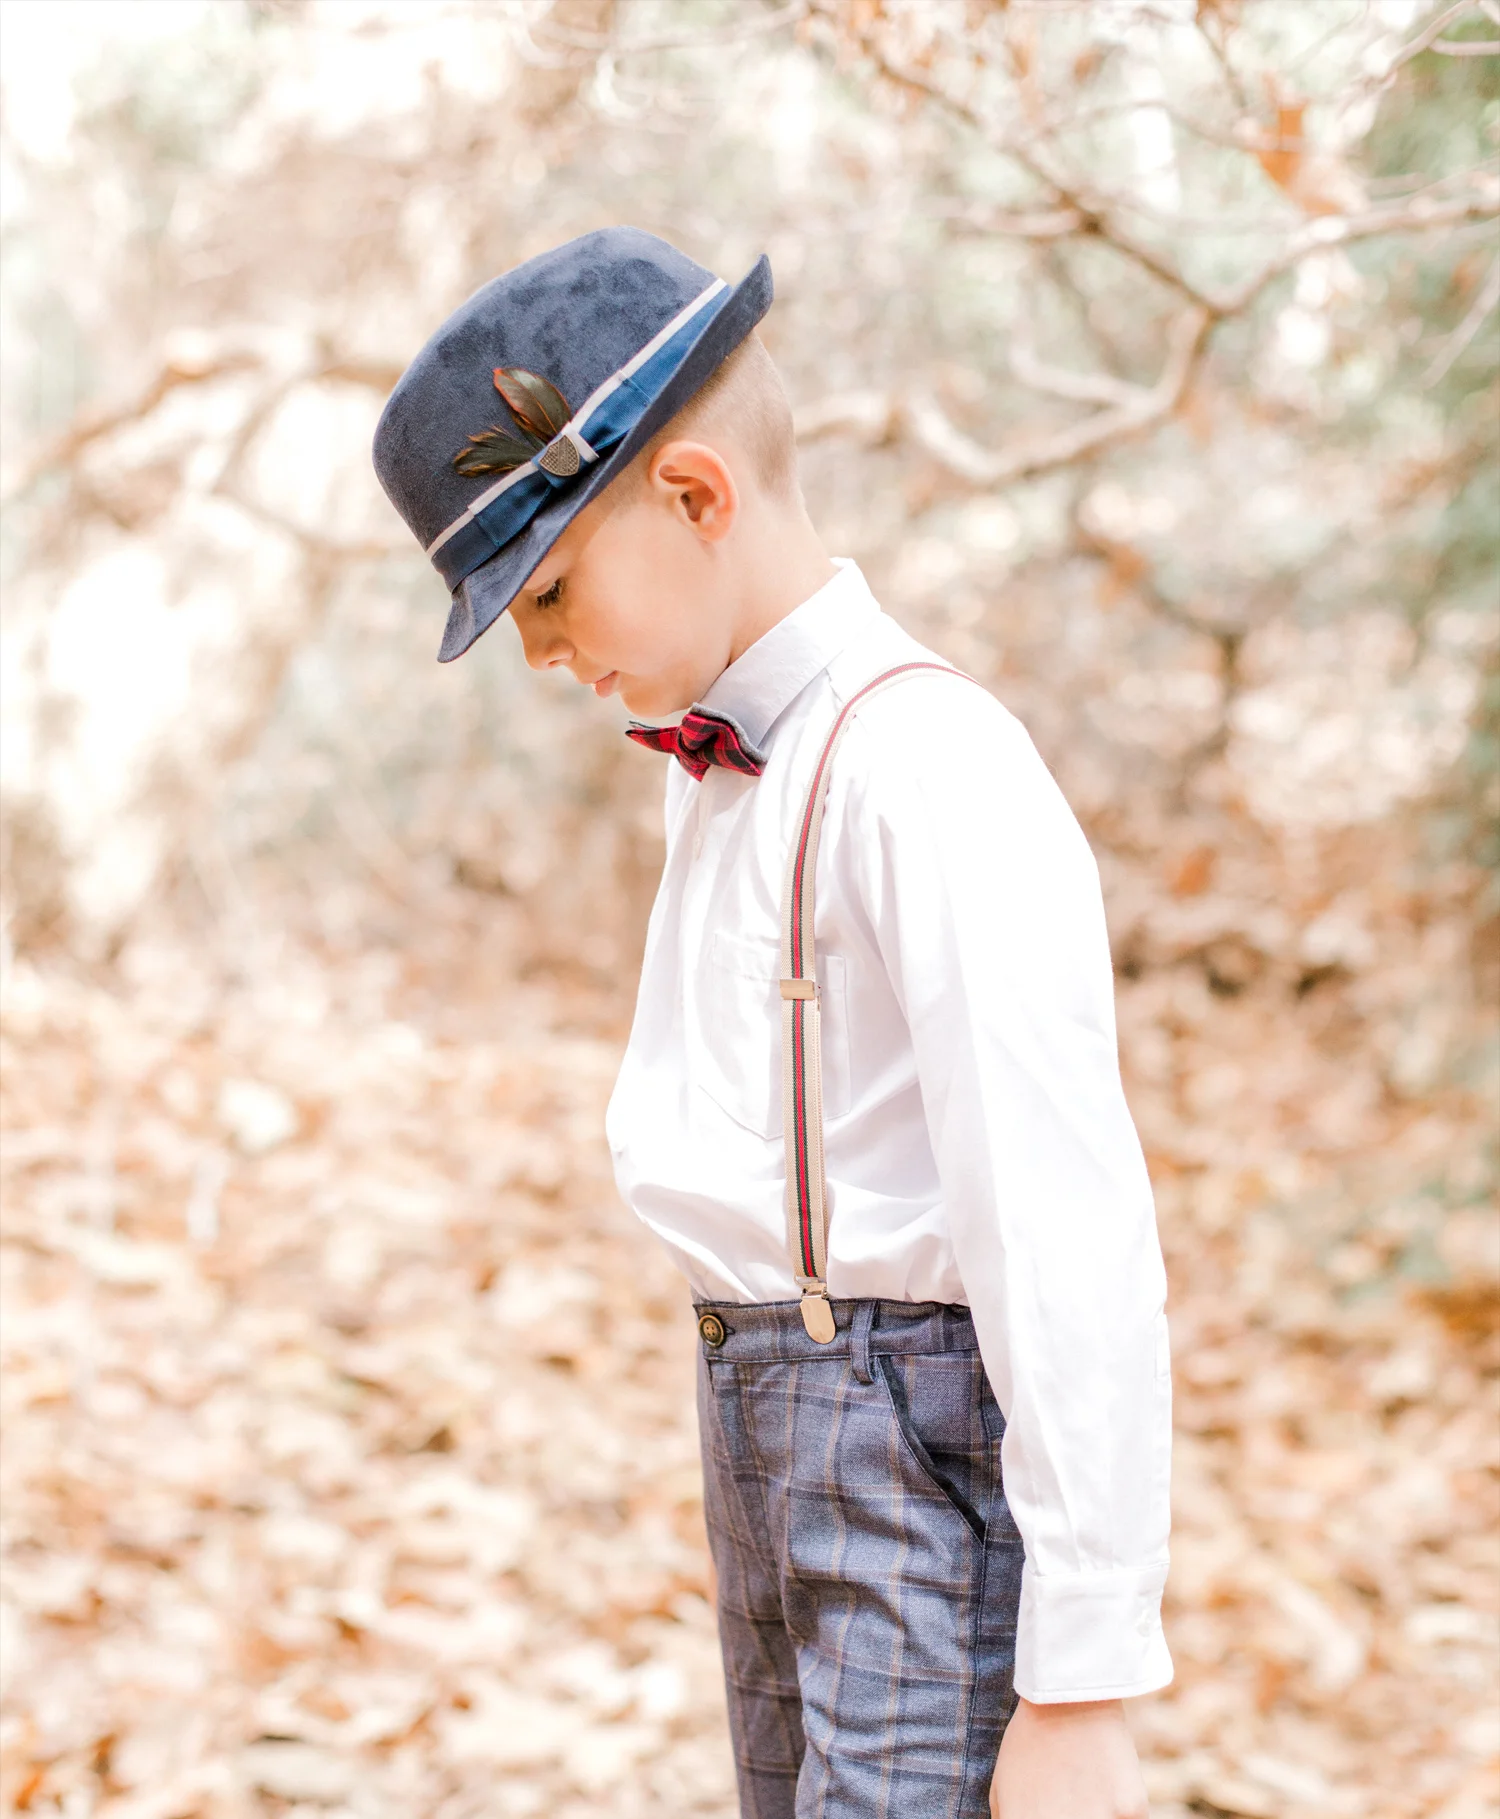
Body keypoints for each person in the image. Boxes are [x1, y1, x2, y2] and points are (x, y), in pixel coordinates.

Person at [372, 226, 1171, 1819]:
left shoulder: (927, 767)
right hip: (759, 1423)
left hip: (908, 1456)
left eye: (547, 591)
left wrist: (1084, 1678)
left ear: (693, 496)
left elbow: (1063, 1228)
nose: (541, 651)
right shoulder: (720, 765)